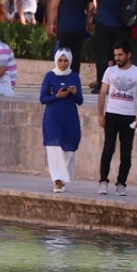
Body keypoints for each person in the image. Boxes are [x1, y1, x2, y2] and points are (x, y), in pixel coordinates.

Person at [97, 40, 137, 196]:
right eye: (115, 55)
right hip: (111, 115)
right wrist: (100, 114)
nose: (117, 58)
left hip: (128, 116)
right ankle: (103, 181)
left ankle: (121, 183)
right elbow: (103, 94)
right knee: (108, 148)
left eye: (120, 55)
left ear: (128, 55)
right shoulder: (110, 72)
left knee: (126, 152)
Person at [40, 48, 84, 192]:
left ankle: (63, 177)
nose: (63, 64)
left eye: (66, 61)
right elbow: (42, 98)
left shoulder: (74, 77)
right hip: (52, 118)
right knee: (54, 149)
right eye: (60, 60)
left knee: (69, 150)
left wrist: (74, 92)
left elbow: (80, 100)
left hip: (69, 117)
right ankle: (57, 180)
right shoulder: (49, 76)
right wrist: (56, 96)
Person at [48, 0, 91, 76]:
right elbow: (90, 9)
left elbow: (54, 6)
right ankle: (74, 80)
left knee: (63, 55)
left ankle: (62, 78)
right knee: (76, 56)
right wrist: (88, 25)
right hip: (80, 26)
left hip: (65, 27)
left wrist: (51, 23)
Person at [89, 0, 126, 92]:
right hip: (120, 23)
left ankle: (102, 84)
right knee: (119, 54)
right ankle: (120, 83)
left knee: (102, 54)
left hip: (104, 22)